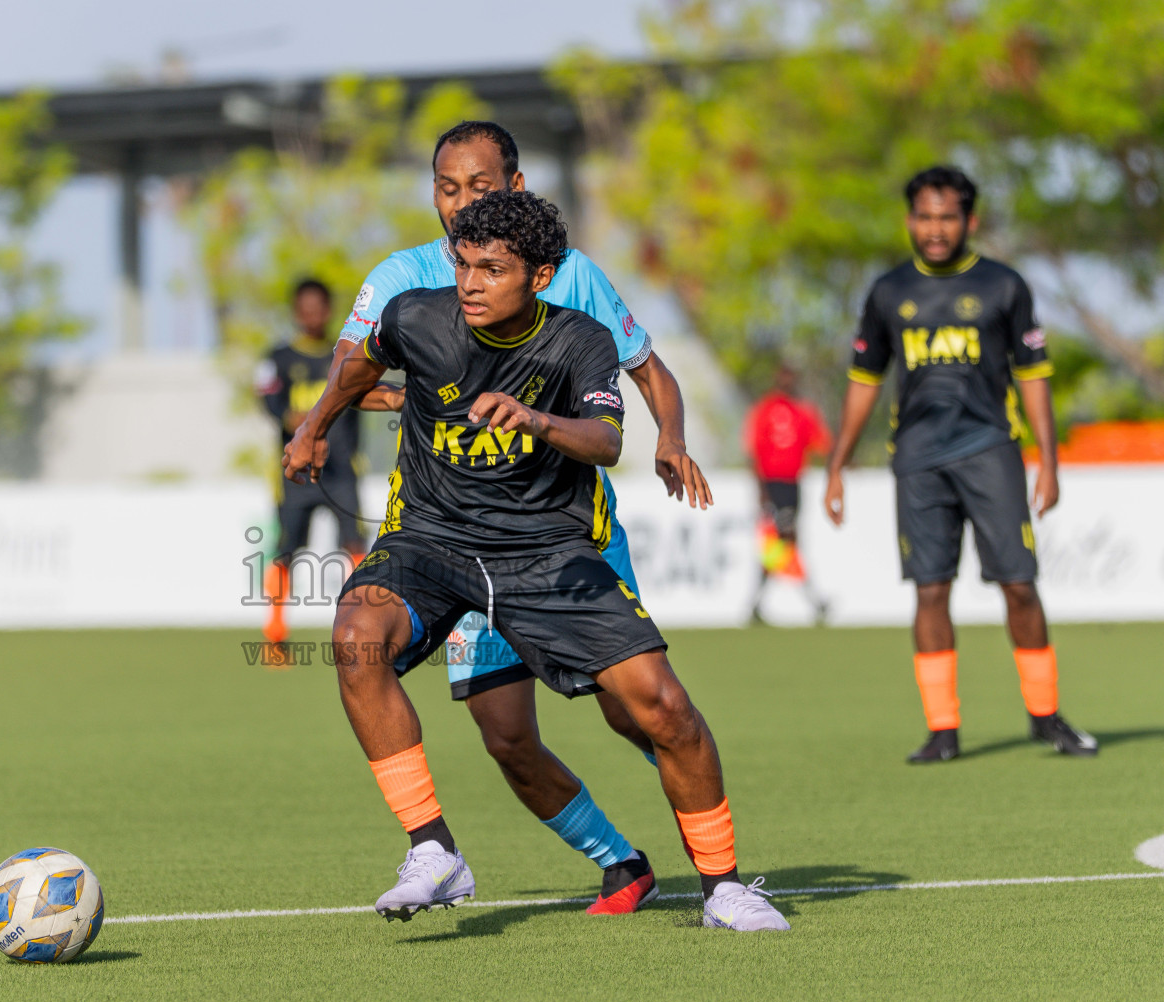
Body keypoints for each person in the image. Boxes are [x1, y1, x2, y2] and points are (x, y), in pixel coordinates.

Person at [287, 189, 788, 931]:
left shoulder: (579, 340)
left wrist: (535, 418)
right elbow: (359, 366)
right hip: (431, 539)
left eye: (491, 269)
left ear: (541, 275)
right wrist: (317, 425)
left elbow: (607, 443)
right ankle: (434, 850)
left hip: (545, 553)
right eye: (463, 265)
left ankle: (724, 889)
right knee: (359, 636)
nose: (470, 283)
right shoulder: (415, 315)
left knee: (663, 708)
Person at [329, 121, 712, 915]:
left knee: (632, 709)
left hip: (569, 541)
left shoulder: (572, 278)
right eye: (445, 186)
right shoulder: (404, 280)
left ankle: (714, 845)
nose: (460, 201)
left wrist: (670, 438)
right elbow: (352, 377)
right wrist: (427, 396)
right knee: (505, 734)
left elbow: (648, 370)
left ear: (516, 184)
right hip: (453, 539)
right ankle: (622, 863)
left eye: (478, 185)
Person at [823, 166, 1097, 763]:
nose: (936, 229)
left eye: (948, 217)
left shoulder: (1005, 286)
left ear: (970, 221)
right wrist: (837, 465)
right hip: (917, 461)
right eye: (925, 217)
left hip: (990, 450)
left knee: (1020, 586)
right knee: (929, 591)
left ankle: (1046, 717)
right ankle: (943, 731)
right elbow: (865, 382)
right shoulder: (888, 292)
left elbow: (1034, 377)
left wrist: (1048, 462)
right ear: (909, 221)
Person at [255, 279, 365, 646]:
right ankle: (274, 635)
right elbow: (269, 403)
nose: (312, 314)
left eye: (319, 307)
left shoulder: (349, 355)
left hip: (341, 473)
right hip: (295, 474)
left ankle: (366, 628)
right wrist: (290, 417)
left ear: (329, 310)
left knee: (356, 547)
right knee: (286, 551)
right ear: (296, 312)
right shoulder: (278, 358)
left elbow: (364, 404)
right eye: (306, 307)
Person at [745, 363, 832, 624]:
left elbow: (821, 442)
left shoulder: (802, 412)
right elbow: (754, 450)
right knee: (784, 537)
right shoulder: (765, 409)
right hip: (772, 485)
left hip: (793, 485)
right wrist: (761, 490)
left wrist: (843, 459)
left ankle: (758, 603)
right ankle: (812, 599)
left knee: (783, 542)